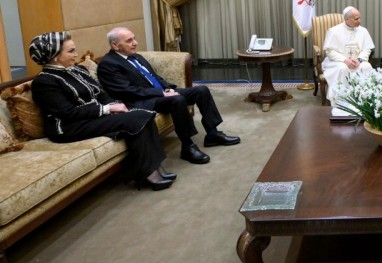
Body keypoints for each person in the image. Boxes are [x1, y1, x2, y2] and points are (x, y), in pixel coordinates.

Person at [29, 32, 174, 191]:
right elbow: (67, 113)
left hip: (91, 117)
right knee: (137, 117)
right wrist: (107, 109)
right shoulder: (44, 81)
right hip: (68, 127)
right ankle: (148, 173)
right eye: (71, 51)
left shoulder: (78, 70)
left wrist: (116, 105)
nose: (76, 54)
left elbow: (100, 94)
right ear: (54, 56)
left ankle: (153, 168)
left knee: (142, 114)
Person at [97, 27, 240, 165]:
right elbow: (127, 91)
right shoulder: (107, 64)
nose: (135, 43)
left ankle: (212, 133)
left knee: (201, 90)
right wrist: (162, 93)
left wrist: (167, 88)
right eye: (129, 41)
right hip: (141, 101)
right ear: (115, 45)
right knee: (177, 100)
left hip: (158, 94)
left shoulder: (136, 56)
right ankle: (188, 146)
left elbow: (154, 77)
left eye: (134, 39)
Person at [322, 6, 375, 103]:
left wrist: (359, 59)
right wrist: (345, 60)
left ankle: (365, 100)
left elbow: (367, 49)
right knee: (342, 69)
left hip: (358, 61)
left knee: (366, 67)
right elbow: (330, 51)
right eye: (356, 19)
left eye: (359, 18)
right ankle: (341, 101)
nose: (359, 21)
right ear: (346, 19)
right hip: (338, 62)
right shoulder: (334, 31)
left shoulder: (363, 31)